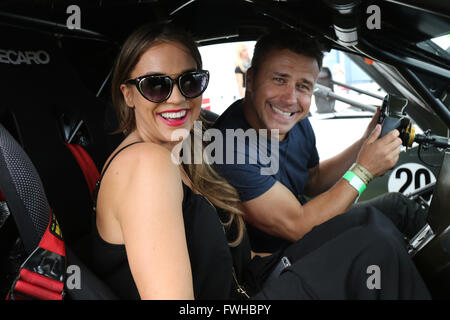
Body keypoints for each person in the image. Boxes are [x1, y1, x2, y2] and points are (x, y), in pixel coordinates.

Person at [79, 23, 430, 300]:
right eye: (155, 86)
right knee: (373, 251)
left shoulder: (184, 148)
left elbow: (222, 260)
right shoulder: (146, 166)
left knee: (369, 227)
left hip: (247, 281)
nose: (176, 99)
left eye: (190, 82)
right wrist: (363, 171)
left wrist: (309, 260)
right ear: (127, 94)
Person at [213, 29, 428, 254]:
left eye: (303, 86)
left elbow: (312, 180)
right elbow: (298, 226)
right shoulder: (230, 149)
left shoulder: (293, 120)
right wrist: (364, 170)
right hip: (278, 264)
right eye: (279, 79)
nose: (290, 99)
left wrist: (365, 143)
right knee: (383, 246)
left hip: (307, 231)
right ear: (251, 79)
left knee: (399, 208)